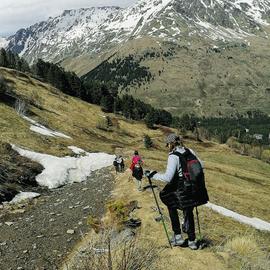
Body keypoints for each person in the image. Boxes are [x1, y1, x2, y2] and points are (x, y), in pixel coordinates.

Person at [145, 134, 208, 250]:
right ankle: (192, 241)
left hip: (182, 188)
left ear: (170, 144)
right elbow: (201, 166)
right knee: (189, 211)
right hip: (194, 188)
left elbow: (168, 178)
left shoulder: (173, 156)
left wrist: (153, 174)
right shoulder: (190, 151)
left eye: (167, 145)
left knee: (167, 198)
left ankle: (178, 236)